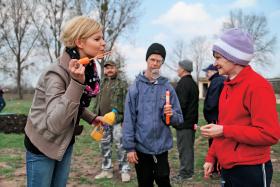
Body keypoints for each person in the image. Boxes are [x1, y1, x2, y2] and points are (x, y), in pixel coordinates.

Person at [24, 16, 106, 187]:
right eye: (97, 39)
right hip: (43, 144)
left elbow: (74, 103)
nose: (103, 43)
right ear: (80, 42)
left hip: (65, 141)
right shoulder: (56, 74)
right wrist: (77, 83)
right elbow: (55, 123)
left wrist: (91, 117)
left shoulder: (87, 70)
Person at [201, 28, 280, 187]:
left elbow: (270, 134)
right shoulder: (226, 86)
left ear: (234, 57)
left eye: (218, 58)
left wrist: (224, 130)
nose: (215, 63)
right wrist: (211, 157)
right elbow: (222, 125)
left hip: (251, 170)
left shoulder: (258, 86)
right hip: (227, 167)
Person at [122, 43, 184, 187]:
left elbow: (179, 119)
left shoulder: (167, 87)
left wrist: (171, 114)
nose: (155, 64)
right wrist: (130, 148)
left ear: (162, 63)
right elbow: (129, 119)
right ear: (147, 60)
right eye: (152, 59)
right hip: (141, 148)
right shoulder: (135, 87)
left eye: (159, 61)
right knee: (144, 183)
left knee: (163, 181)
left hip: (161, 148)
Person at [93, 60, 130, 182]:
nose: (109, 70)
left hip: (118, 120)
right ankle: (106, 170)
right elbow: (97, 101)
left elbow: (128, 103)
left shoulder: (123, 84)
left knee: (121, 146)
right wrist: (95, 116)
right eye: (107, 68)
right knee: (104, 146)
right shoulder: (101, 83)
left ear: (116, 69)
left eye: (111, 68)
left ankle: (124, 170)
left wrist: (126, 119)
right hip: (102, 120)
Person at [172, 59, 199, 182]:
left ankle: (186, 174)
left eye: (179, 67)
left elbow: (181, 105)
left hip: (185, 123)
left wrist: (173, 116)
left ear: (183, 68)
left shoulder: (184, 83)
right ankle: (187, 171)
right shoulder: (192, 83)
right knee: (187, 148)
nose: (177, 69)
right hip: (189, 122)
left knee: (185, 149)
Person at [202, 64, 225, 177]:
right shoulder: (219, 80)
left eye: (208, 71)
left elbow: (212, 102)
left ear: (213, 71)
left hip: (215, 118)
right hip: (218, 118)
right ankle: (217, 168)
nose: (206, 73)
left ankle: (216, 169)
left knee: (215, 143)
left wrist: (207, 110)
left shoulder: (217, 81)